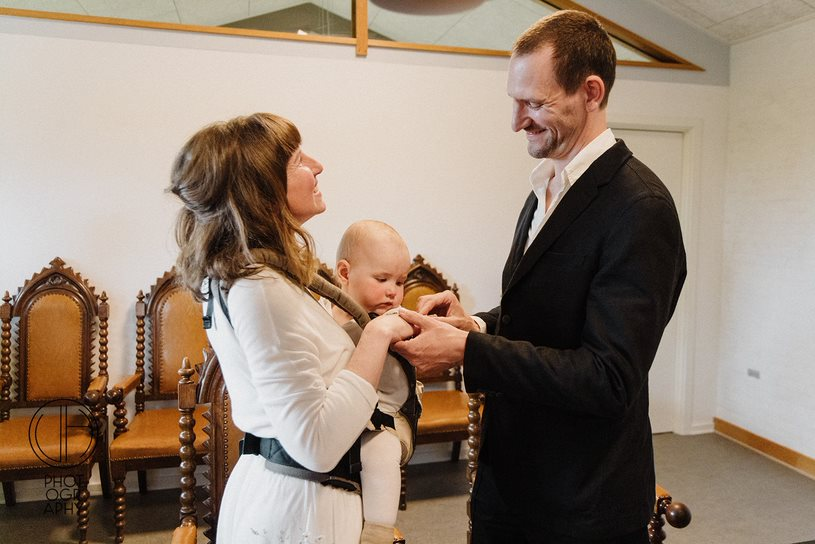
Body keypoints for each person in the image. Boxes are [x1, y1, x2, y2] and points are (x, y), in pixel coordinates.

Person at [394, 10, 687, 544]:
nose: (516, 121)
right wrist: (476, 327)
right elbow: (545, 315)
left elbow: (609, 378)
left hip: (581, 502)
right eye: (514, 100)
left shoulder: (639, 207)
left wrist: (468, 354)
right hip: (512, 483)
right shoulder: (545, 186)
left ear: (591, 91)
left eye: (534, 102)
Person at [169, 113, 413, 544]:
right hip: (301, 507)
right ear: (261, 188)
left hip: (303, 495)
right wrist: (377, 336)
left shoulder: (259, 277)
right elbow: (315, 443)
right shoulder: (259, 288)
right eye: (299, 160)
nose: (318, 166)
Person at [330, 220, 420, 543]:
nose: (393, 291)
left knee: (379, 451)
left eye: (400, 281)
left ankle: (379, 532)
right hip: (342, 418)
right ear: (344, 273)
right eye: (382, 279)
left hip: (388, 420)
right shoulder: (323, 316)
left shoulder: (394, 320)